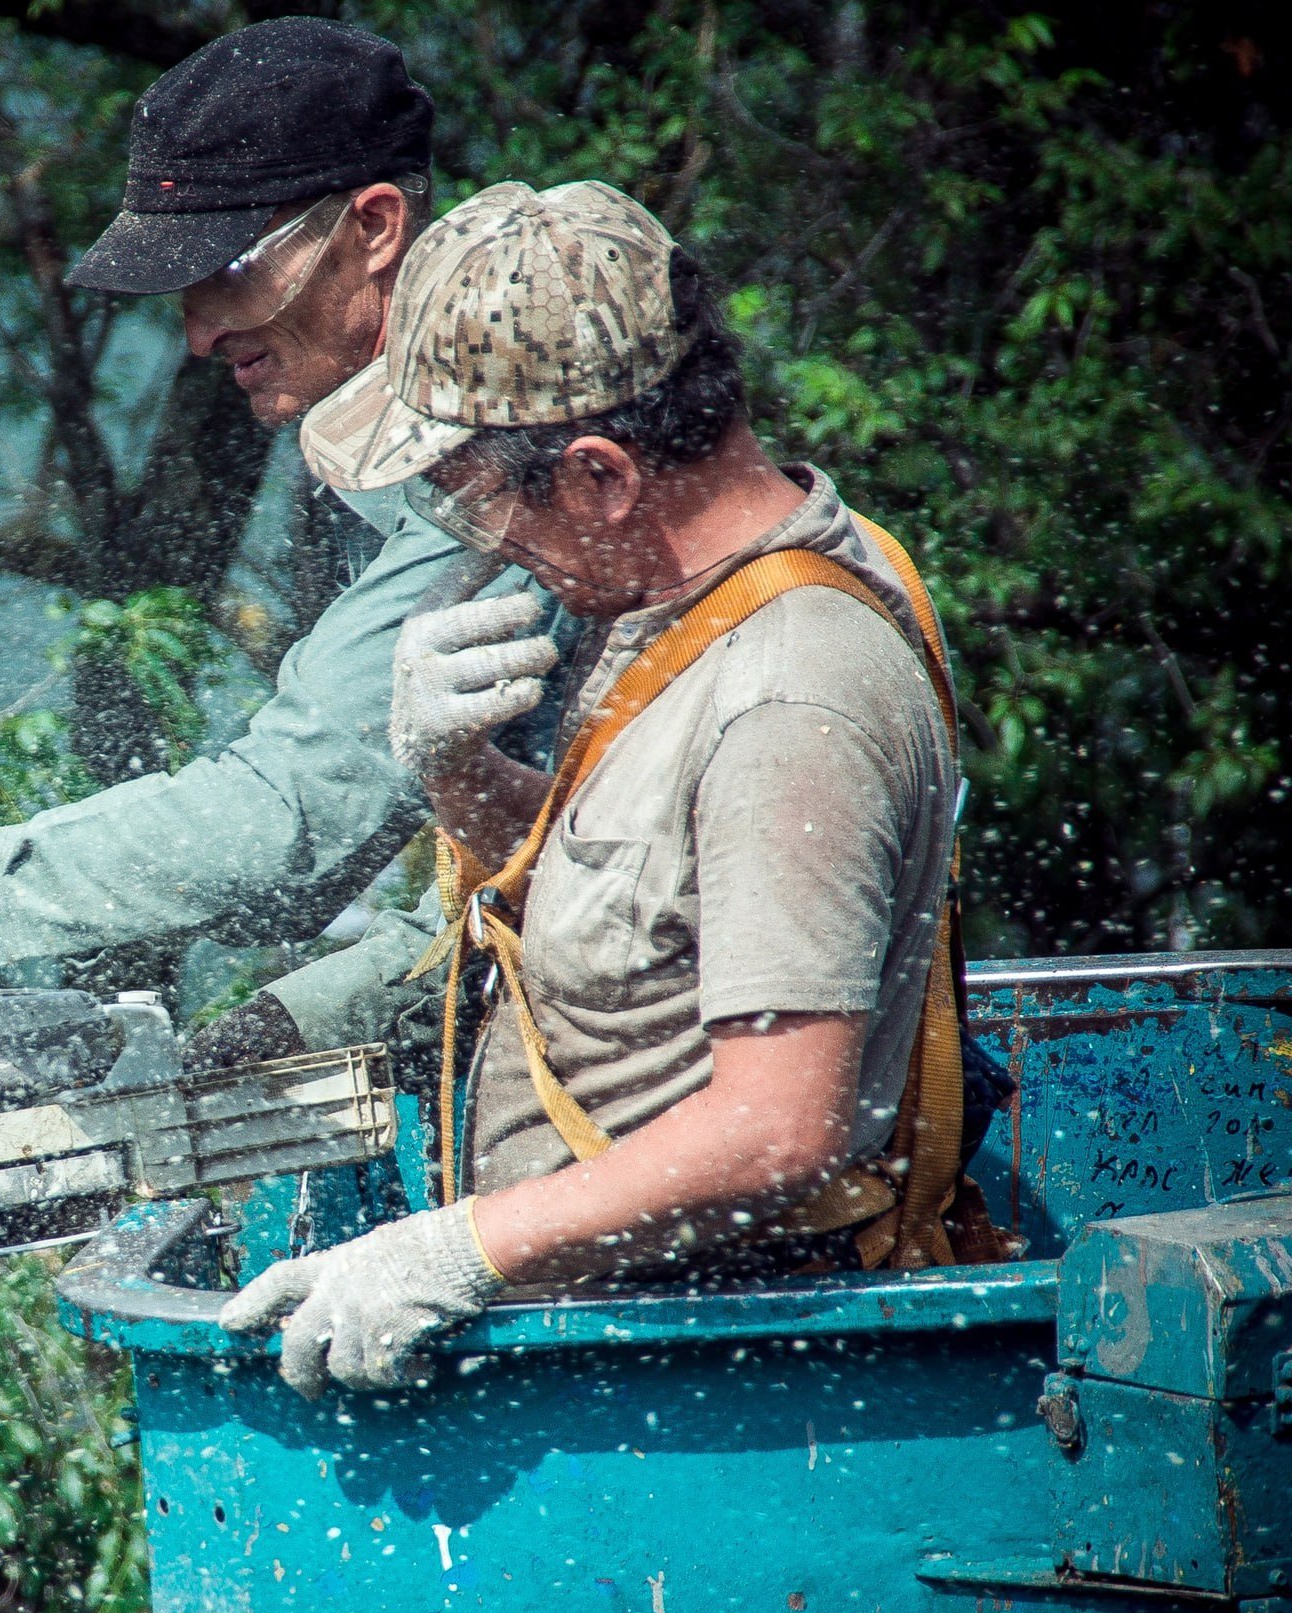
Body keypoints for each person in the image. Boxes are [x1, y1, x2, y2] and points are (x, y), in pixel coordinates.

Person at [222, 180, 965, 1397]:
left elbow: (782, 1128)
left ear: (602, 476)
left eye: (470, 492)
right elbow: (650, 912)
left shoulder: (785, 698)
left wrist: (459, 1250)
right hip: (635, 1340)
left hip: (709, 1374)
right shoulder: (684, 597)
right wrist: (459, 777)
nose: (474, 537)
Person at [0, 19, 571, 1066]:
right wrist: (312, 1014)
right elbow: (523, 859)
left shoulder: (498, 473)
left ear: (374, 227)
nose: (198, 333)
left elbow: (284, 826)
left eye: (228, 270)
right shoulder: (374, 460)